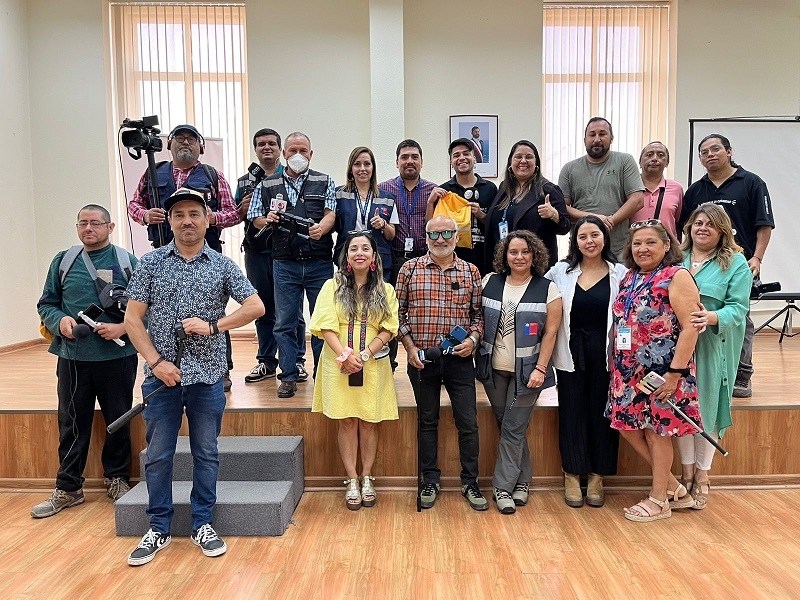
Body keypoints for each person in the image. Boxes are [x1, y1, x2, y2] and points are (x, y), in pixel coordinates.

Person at [124, 187, 264, 566]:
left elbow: (256, 305)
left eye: (194, 214)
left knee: (206, 453)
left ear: (206, 220)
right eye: (179, 214)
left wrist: (214, 325)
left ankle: (203, 522)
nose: (187, 220)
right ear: (169, 222)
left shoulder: (221, 265)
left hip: (207, 378)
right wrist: (155, 362)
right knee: (158, 456)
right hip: (162, 378)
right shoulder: (150, 263)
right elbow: (132, 319)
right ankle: (158, 527)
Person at [32, 205, 139, 518]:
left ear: (110, 226)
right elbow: (46, 304)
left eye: (95, 223)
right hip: (73, 357)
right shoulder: (63, 261)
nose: (88, 228)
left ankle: (117, 478)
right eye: (83, 223)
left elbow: (144, 306)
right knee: (72, 421)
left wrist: (122, 328)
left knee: (118, 419)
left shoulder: (126, 261)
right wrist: (60, 322)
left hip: (118, 356)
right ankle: (68, 488)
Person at [128, 123, 240, 391]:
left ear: (201, 146)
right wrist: (144, 215)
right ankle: (161, 363)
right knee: (161, 312)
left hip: (206, 254)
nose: (185, 143)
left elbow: (233, 213)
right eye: (179, 138)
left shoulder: (213, 175)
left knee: (213, 312)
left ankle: (221, 369)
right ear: (169, 145)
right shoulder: (153, 173)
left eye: (191, 139)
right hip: (163, 253)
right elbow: (134, 204)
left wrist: (211, 218)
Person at [606, 220, 702, 522]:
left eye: (650, 242)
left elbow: (690, 328)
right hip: (627, 371)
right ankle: (674, 486)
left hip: (663, 372)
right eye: (637, 243)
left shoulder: (677, 276)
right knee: (625, 425)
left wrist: (675, 374)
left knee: (657, 431)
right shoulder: (630, 276)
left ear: (666, 245)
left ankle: (660, 499)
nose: (642, 249)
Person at [396, 215, 487, 511]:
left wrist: (472, 341)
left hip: (460, 361)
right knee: (427, 421)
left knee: (468, 423)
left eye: (448, 232)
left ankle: (470, 482)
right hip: (422, 361)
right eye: (434, 234)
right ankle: (429, 480)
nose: (441, 239)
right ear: (425, 237)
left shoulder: (471, 271)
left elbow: (478, 316)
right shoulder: (409, 269)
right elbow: (398, 314)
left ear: (456, 235)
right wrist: (409, 348)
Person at [680, 133, 775, 398]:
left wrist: (756, 258)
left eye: (715, 149)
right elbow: (686, 229)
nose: (710, 155)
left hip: (737, 262)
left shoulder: (752, 183)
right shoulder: (696, 190)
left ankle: (742, 375)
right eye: (704, 152)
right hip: (699, 264)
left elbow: (764, 224)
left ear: (729, 151)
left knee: (739, 317)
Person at [310, 231, 399, 510]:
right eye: (353, 249)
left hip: (372, 362)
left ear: (374, 257)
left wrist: (364, 354)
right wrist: (346, 356)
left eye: (365, 249)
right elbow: (324, 325)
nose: (359, 253)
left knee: (370, 420)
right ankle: (351, 480)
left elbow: (389, 327)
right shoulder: (331, 286)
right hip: (338, 362)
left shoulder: (386, 290)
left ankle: (367, 477)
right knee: (347, 421)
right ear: (346, 257)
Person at [477, 231, 562, 514]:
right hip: (493, 370)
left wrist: (541, 368)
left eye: (525, 251)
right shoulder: (489, 281)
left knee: (513, 427)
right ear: (505, 255)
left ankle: (502, 488)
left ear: (534, 254)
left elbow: (551, 333)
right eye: (513, 252)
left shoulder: (547, 288)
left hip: (529, 373)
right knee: (508, 425)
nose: (519, 257)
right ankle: (523, 481)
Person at [545, 216, 627, 508]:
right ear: (574, 242)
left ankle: (596, 476)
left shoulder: (621, 273)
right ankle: (571, 473)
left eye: (595, 235)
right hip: (571, 350)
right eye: (583, 237)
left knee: (602, 412)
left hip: (607, 352)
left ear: (604, 238)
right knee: (571, 410)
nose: (589, 241)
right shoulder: (560, 272)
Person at [247, 132, 337, 398]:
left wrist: (323, 226)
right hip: (284, 263)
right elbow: (254, 217)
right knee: (284, 322)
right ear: (284, 153)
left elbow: (331, 211)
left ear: (311, 154)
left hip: (319, 263)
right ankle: (287, 376)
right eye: (293, 150)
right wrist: (268, 219)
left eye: (304, 150)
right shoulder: (268, 184)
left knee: (323, 322)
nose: (298, 154)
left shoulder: (324, 180)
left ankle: (325, 374)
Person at [677, 203, 752, 509]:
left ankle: (703, 475)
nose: (703, 228)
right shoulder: (676, 258)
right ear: (689, 228)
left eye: (710, 224)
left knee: (706, 408)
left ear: (722, 230)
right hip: (677, 344)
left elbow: (739, 308)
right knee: (680, 408)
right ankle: (685, 472)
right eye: (698, 223)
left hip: (712, 345)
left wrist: (712, 317)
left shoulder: (735, 262)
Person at [235, 128, 307, 384]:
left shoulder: (291, 177)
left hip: (286, 254)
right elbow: (235, 215)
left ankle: (297, 360)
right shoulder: (245, 181)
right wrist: (242, 209)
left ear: (281, 151)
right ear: (255, 149)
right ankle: (266, 361)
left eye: (272, 144)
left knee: (291, 311)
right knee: (262, 309)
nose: (267, 148)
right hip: (257, 253)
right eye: (261, 144)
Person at [378, 140, 437, 370]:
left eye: (414, 156)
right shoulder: (383, 190)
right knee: (390, 310)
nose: (409, 161)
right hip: (393, 258)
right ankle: (388, 364)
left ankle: (430, 360)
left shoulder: (434, 190)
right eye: (404, 157)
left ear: (421, 161)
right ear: (396, 162)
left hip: (424, 258)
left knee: (425, 310)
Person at [558, 117, 645, 258]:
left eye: (602, 134)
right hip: (581, 251)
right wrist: (594, 220)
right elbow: (562, 208)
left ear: (611, 138)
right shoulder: (569, 169)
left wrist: (610, 222)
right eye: (592, 135)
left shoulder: (625, 161)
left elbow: (637, 200)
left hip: (618, 251)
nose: (597, 139)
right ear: (584, 139)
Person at [484, 140, 570, 269]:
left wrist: (554, 215)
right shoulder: (504, 188)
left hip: (534, 267)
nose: (523, 161)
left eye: (529, 157)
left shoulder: (548, 190)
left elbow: (565, 227)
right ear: (510, 162)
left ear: (536, 164)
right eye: (518, 156)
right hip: (503, 265)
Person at [426, 138, 497, 275]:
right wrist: (430, 203)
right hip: (451, 261)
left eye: (466, 154)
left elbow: (497, 224)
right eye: (456, 155)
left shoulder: (490, 188)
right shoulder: (444, 191)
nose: (462, 158)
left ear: (474, 158)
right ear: (451, 162)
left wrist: (481, 215)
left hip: (484, 258)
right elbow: (430, 227)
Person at [334, 146, 399, 281]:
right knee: (348, 301)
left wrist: (384, 225)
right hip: (348, 261)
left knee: (378, 301)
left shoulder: (388, 198)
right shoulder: (338, 195)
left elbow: (391, 234)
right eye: (357, 164)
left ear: (373, 168)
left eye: (367, 164)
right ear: (351, 169)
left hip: (378, 262)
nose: (362, 168)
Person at [632, 141, 684, 239]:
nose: (655, 159)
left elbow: (678, 224)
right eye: (649, 155)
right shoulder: (629, 187)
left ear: (667, 162)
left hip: (668, 251)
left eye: (660, 155)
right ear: (640, 161)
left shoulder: (677, 189)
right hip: (634, 249)